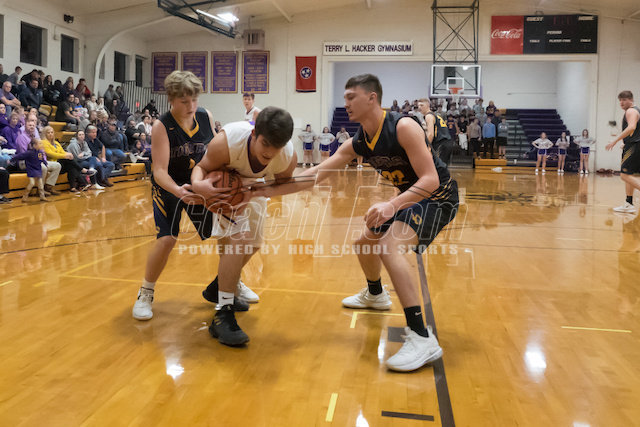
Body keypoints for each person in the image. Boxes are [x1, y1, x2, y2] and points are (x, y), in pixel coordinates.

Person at [250, 74, 458, 371]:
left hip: (438, 197)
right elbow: (315, 175)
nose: (345, 103)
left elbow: (431, 179)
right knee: (364, 243)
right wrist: (261, 190)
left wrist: (391, 205)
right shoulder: (359, 141)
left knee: (388, 247)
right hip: (408, 197)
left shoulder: (403, 127)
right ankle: (376, 294)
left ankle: (422, 337)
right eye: (345, 97)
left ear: (372, 98)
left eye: (351, 97)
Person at [131, 70, 257, 321]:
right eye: (184, 101)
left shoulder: (204, 116)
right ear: (171, 99)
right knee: (167, 240)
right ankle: (145, 292)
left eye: (194, 100)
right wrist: (179, 191)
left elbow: (216, 151)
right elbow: (159, 171)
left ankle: (230, 282)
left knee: (229, 231)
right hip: (169, 187)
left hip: (201, 184)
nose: (191, 106)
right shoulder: (162, 126)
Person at [190, 106, 297, 346]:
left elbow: (284, 184)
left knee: (255, 244)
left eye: (277, 147)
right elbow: (202, 167)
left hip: (254, 188)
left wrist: (253, 188)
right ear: (254, 134)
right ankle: (223, 313)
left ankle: (219, 286)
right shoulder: (227, 142)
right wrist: (198, 185)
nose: (270, 152)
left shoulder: (286, 156)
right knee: (239, 240)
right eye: (265, 143)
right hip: (224, 190)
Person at [606, 90, 640, 214]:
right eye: (620, 100)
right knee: (630, 175)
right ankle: (629, 203)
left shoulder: (631, 111)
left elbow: (632, 127)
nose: (621, 102)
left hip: (633, 146)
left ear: (631, 100)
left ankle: (629, 203)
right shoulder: (636, 111)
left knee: (624, 175)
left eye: (624, 100)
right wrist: (626, 142)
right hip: (633, 145)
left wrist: (615, 140)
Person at [41, 126, 94, 192]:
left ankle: (73, 187)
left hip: (60, 164)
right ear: (45, 134)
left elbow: (62, 152)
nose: (50, 134)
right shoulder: (43, 142)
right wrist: (65, 156)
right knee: (67, 159)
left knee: (71, 166)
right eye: (48, 133)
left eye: (52, 132)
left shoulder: (56, 143)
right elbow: (51, 154)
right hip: (51, 164)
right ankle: (83, 173)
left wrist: (68, 154)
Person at [423, 99, 453, 167]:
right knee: (442, 167)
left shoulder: (429, 116)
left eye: (422, 105)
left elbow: (431, 134)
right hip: (447, 141)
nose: (419, 107)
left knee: (437, 167)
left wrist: (428, 146)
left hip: (441, 143)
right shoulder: (436, 116)